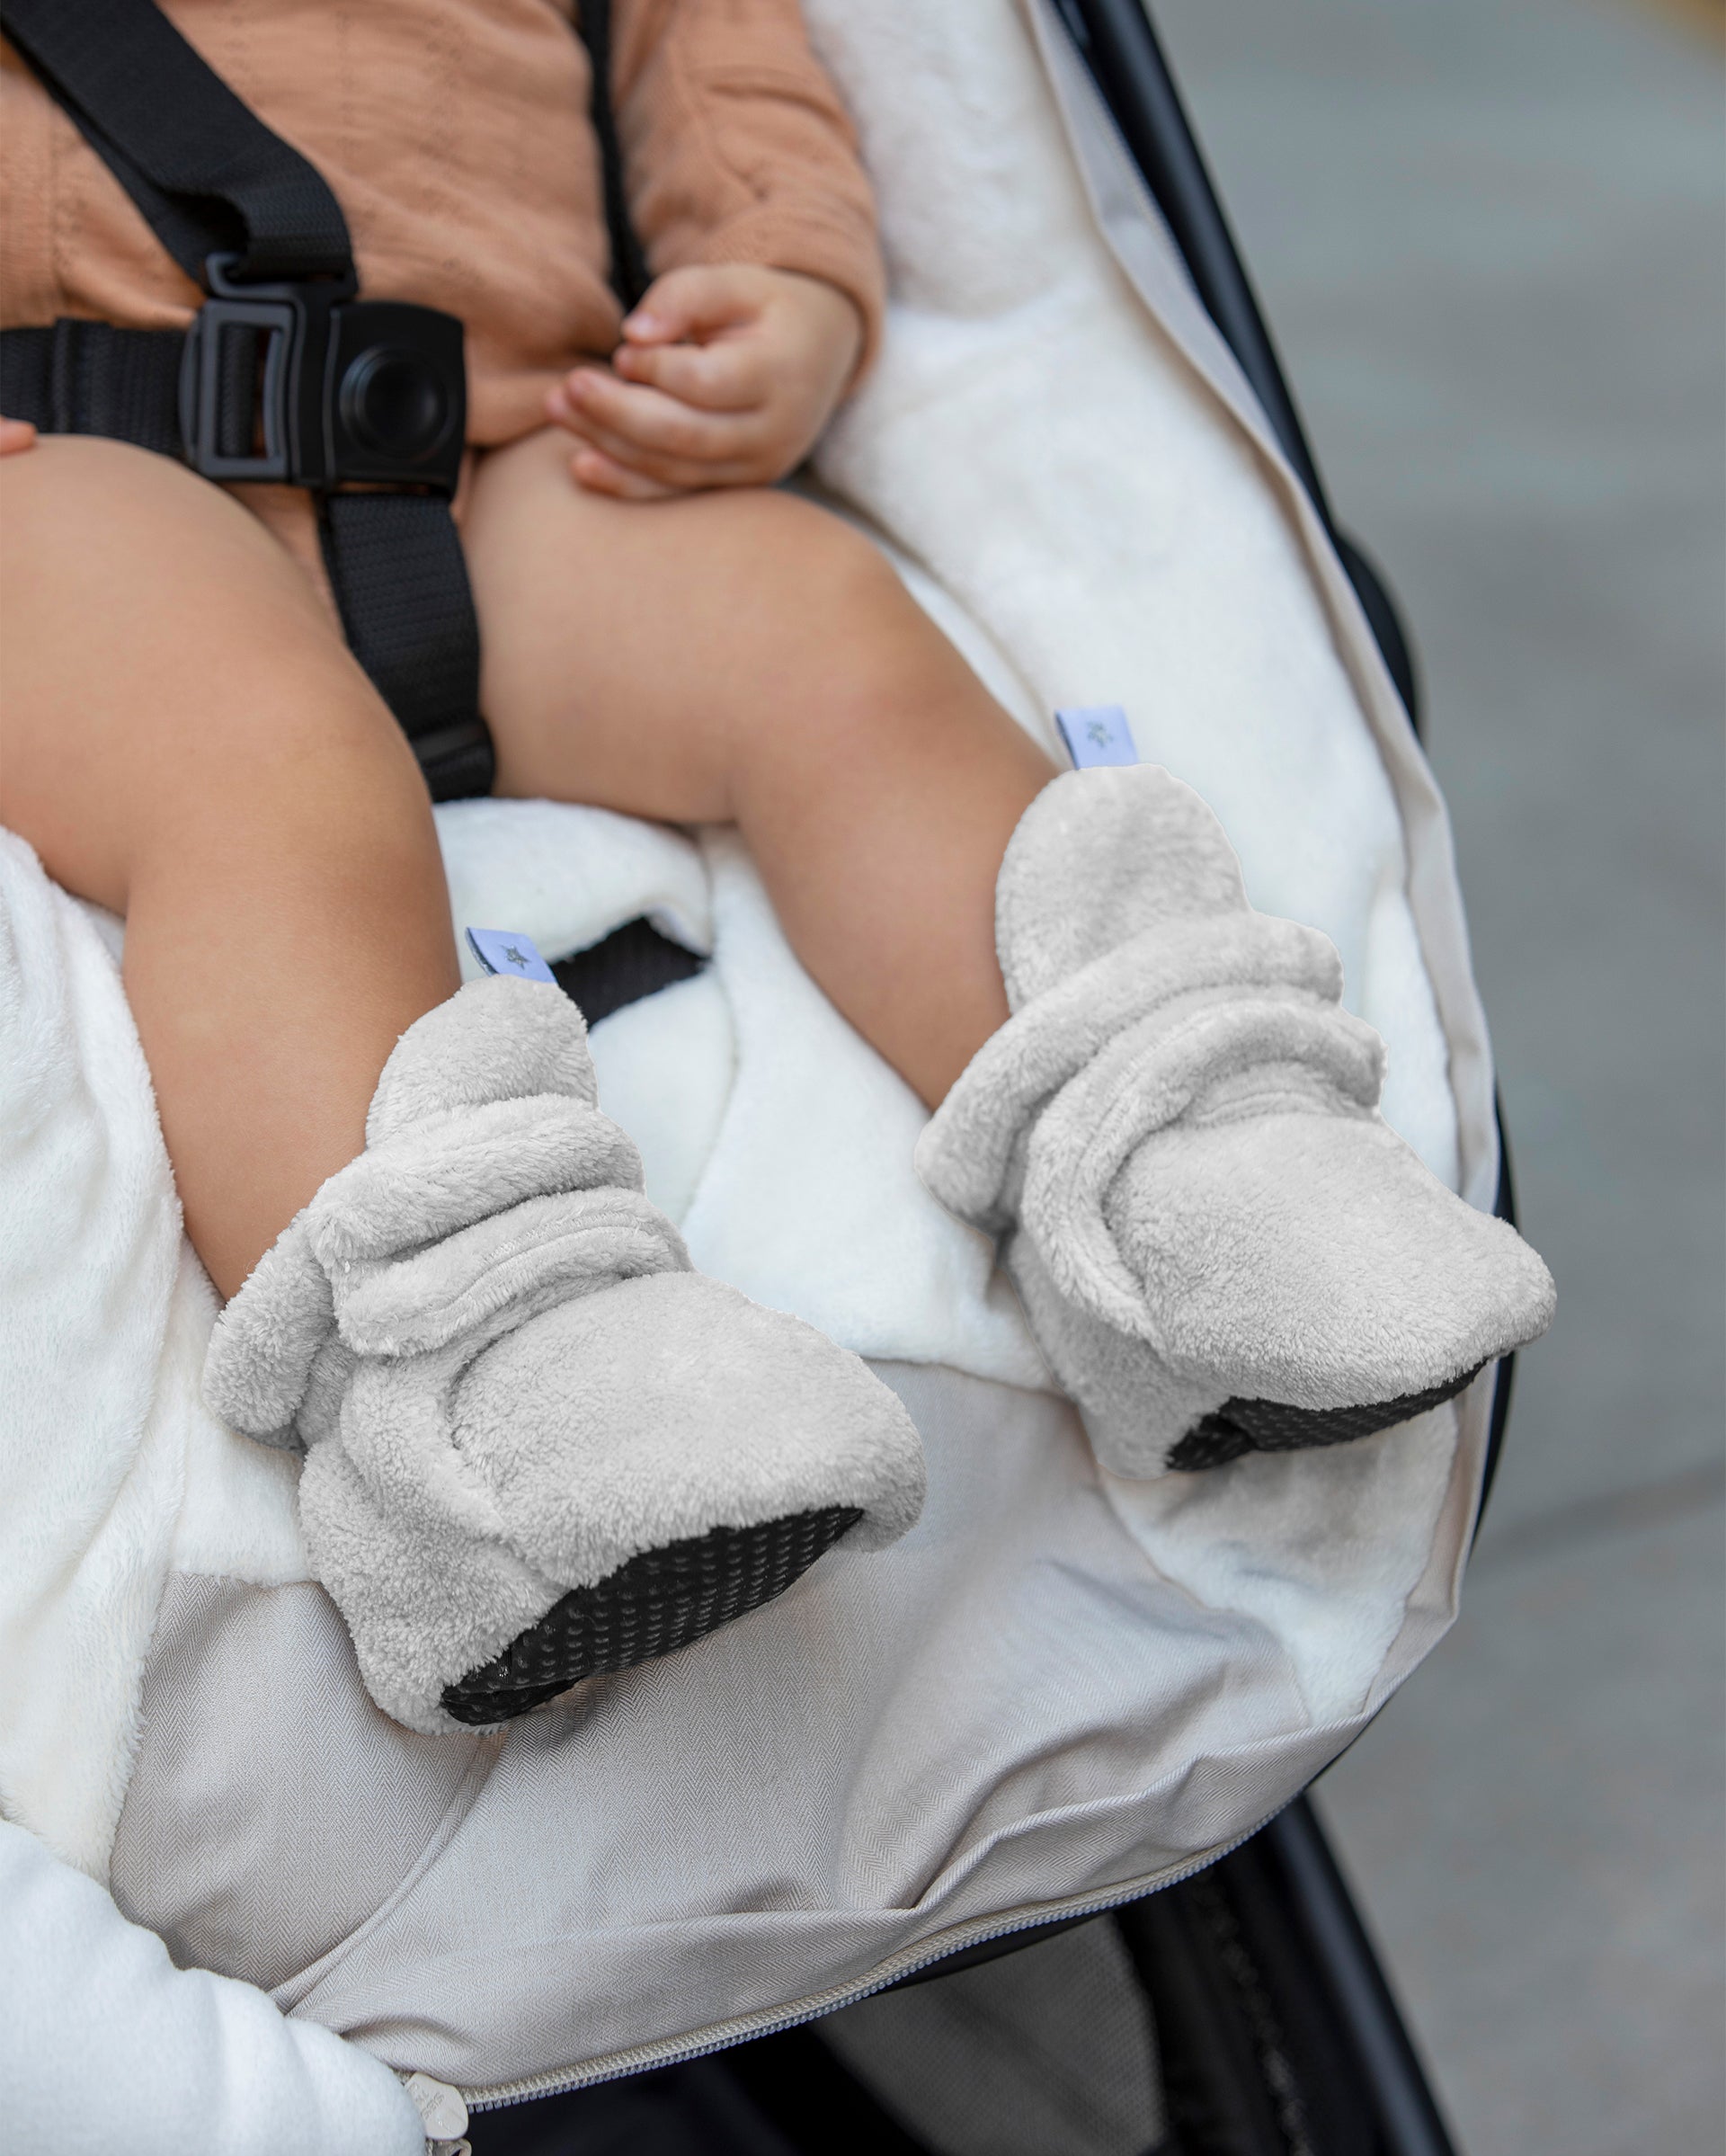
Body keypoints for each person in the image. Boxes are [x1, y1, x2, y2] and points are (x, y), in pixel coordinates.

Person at [0, 0, 1552, 1733]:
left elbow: (721, 65)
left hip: (501, 451)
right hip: (62, 474)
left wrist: (784, 287)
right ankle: (494, 1409)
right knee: (267, 767)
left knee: (826, 640)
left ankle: (1183, 1183)